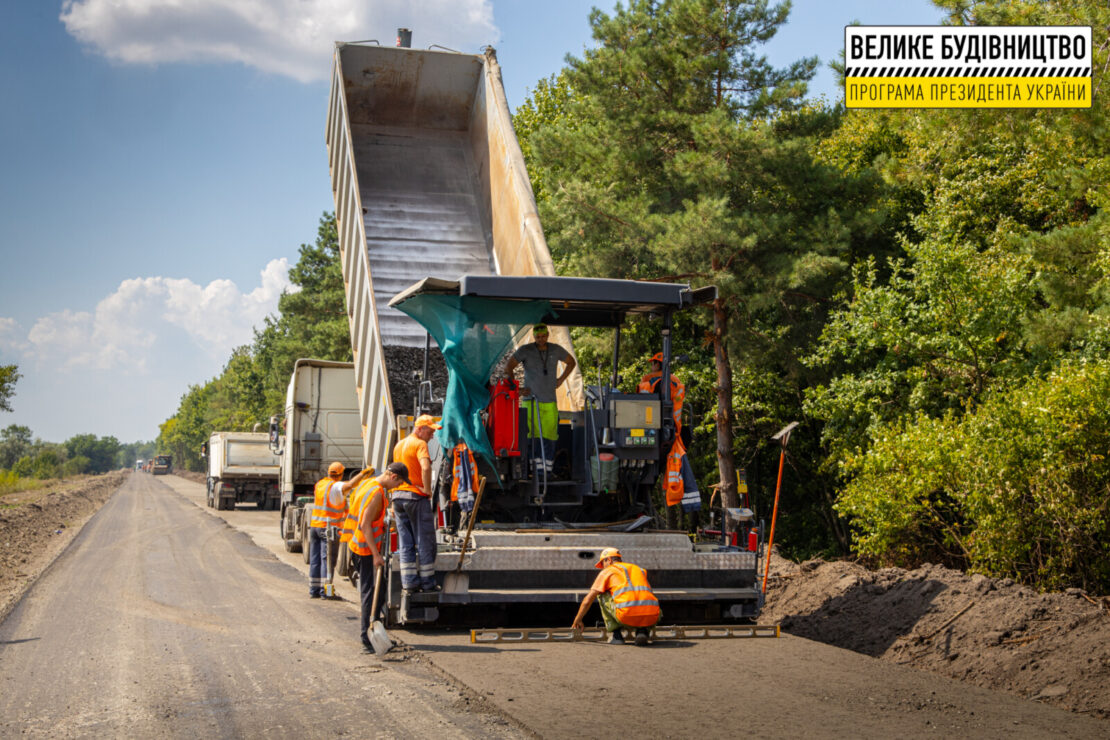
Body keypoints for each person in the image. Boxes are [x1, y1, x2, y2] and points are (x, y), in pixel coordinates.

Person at [348, 462, 409, 653]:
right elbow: (365, 524)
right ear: (393, 477)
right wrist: (375, 555)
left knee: (378, 589)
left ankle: (376, 628)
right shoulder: (376, 493)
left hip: (360, 546)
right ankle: (367, 639)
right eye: (398, 483)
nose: (398, 487)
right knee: (369, 593)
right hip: (365, 549)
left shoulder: (369, 483)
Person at [503, 323, 576, 478]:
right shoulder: (526, 350)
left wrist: (561, 380)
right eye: (538, 337)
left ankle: (546, 471)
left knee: (550, 436)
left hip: (550, 402)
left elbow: (571, 362)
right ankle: (533, 470)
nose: (541, 339)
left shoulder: (556, 349)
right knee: (532, 437)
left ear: (548, 335)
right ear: (534, 336)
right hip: (531, 401)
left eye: (543, 336)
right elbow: (508, 366)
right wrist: (517, 388)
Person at [639, 353, 700, 514]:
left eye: (653, 363)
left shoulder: (650, 381)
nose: (651, 367)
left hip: (652, 427)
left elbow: (641, 405)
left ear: (658, 365)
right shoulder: (676, 382)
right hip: (674, 428)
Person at [571, 547, 661, 646]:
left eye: (602, 564)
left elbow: (588, 600)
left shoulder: (608, 571)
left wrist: (577, 620)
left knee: (601, 594)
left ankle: (617, 636)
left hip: (626, 616)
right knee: (644, 598)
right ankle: (642, 632)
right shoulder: (639, 569)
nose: (603, 567)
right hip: (652, 616)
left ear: (608, 560)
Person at [391, 414, 441, 593]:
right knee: (425, 540)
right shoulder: (420, 444)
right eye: (430, 431)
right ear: (420, 429)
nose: (432, 436)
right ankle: (428, 583)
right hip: (415, 497)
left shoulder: (399, 445)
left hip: (398, 497)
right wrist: (427, 490)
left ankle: (409, 583)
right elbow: (426, 467)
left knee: (405, 542)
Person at [308, 462, 371, 598]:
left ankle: (314, 590)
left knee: (315, 560)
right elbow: (349, 485)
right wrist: (362, 474)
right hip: (328, 529)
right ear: (341, 474)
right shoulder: (335, 486)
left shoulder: (321, 484)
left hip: (315, 526)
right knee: (328, 561)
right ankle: (326, 591)